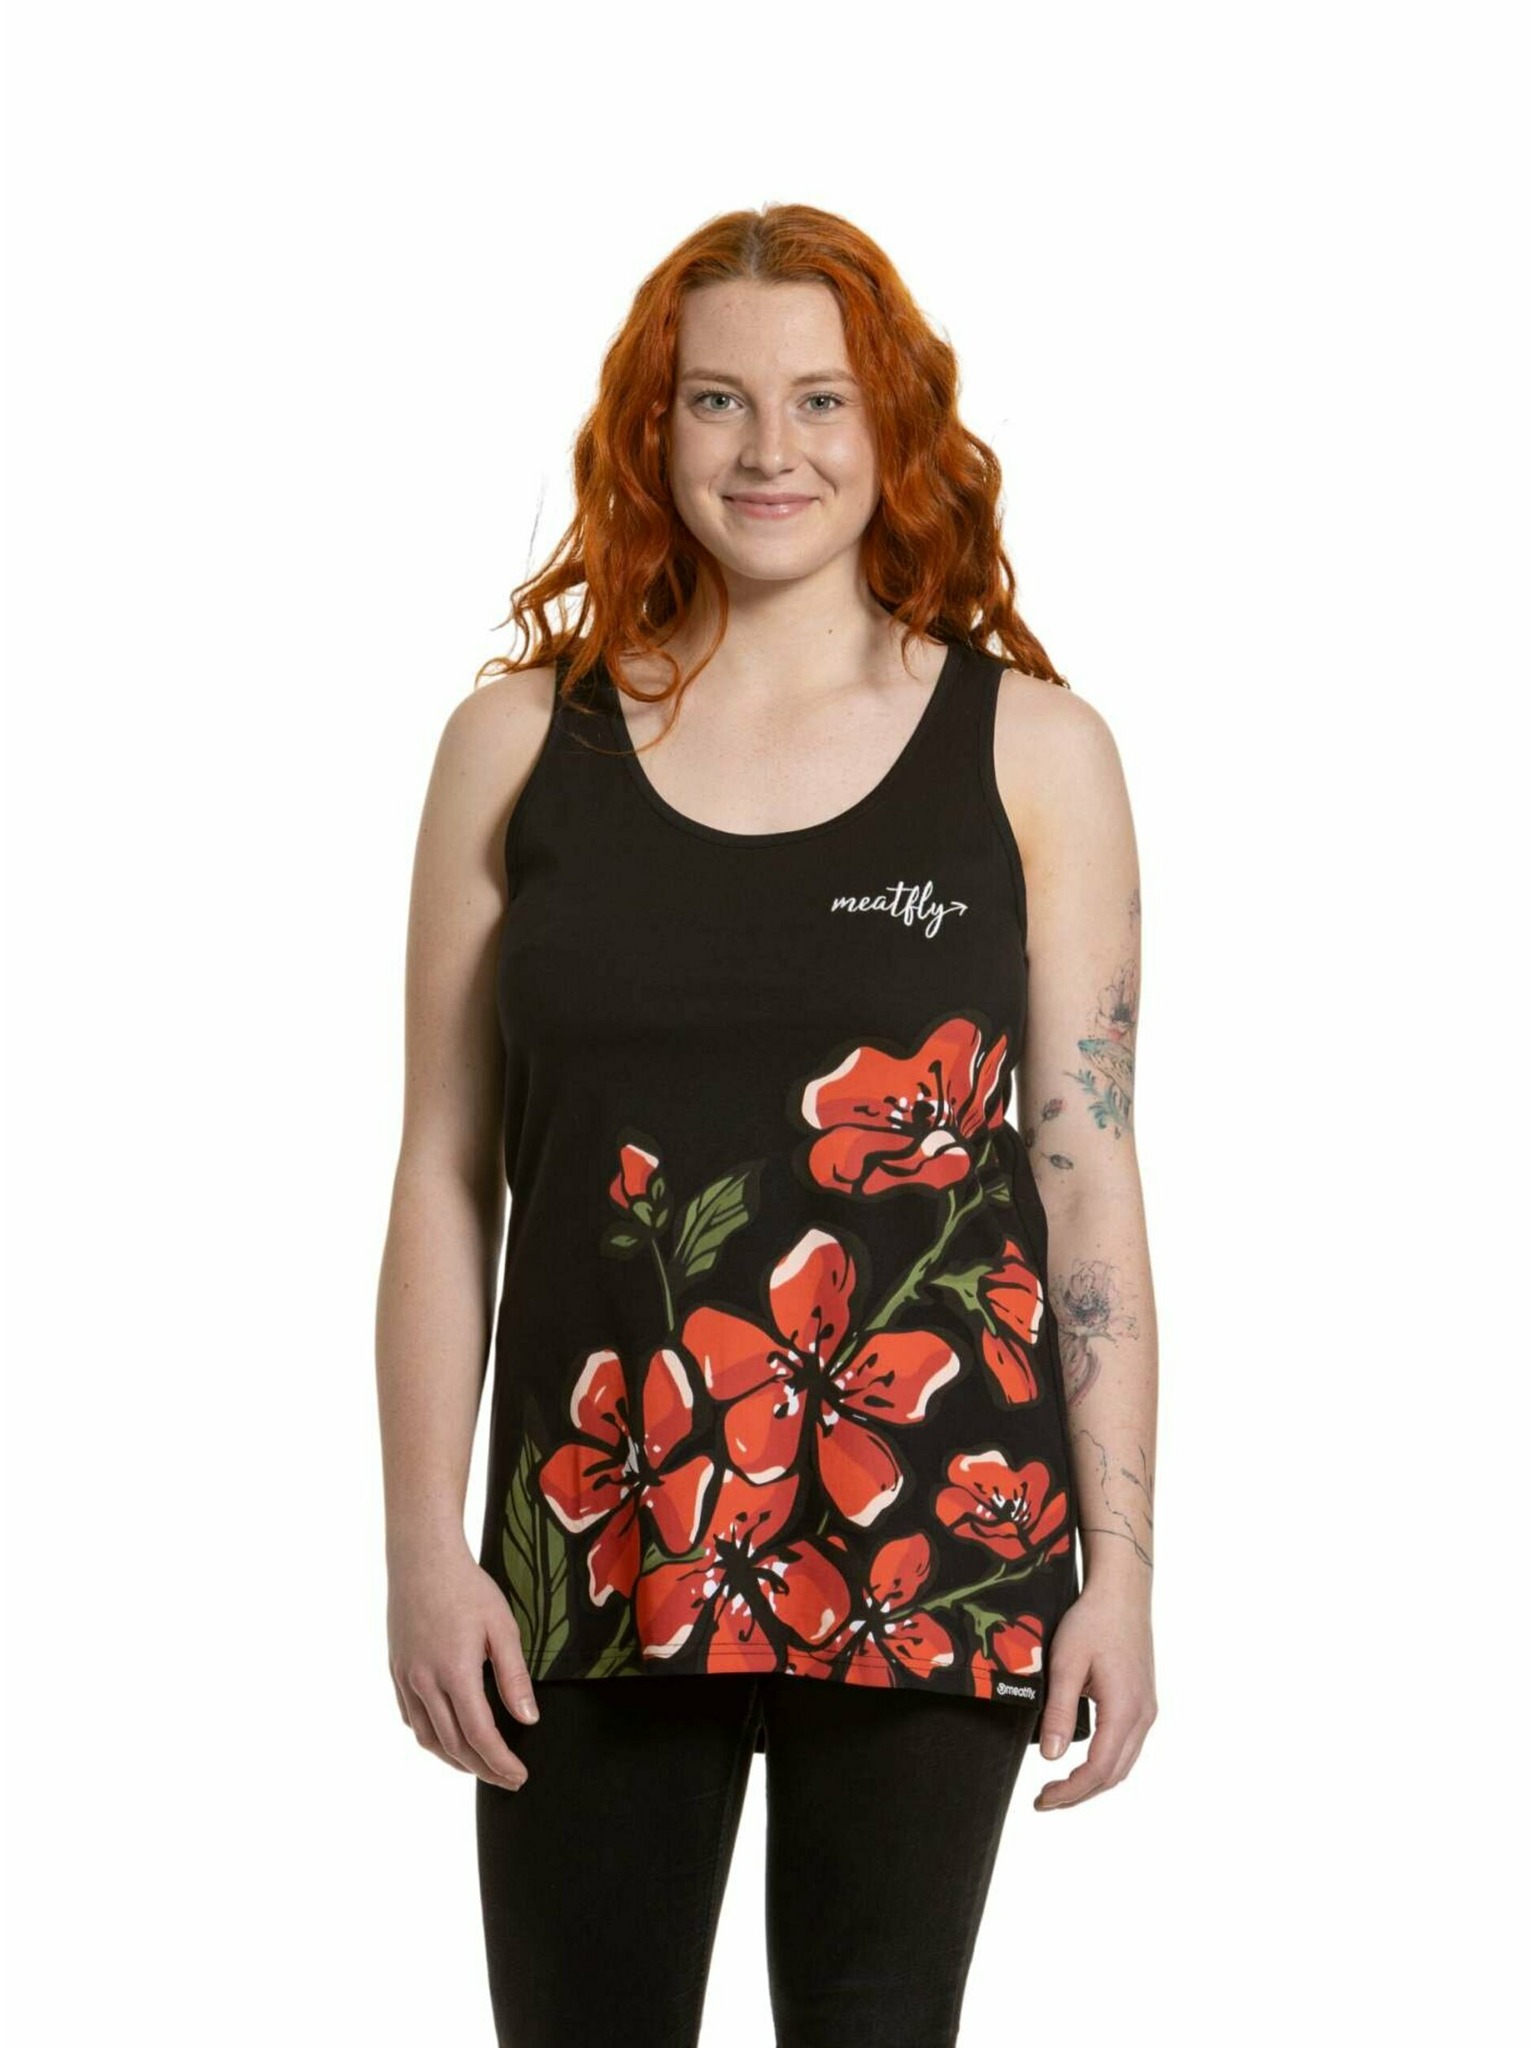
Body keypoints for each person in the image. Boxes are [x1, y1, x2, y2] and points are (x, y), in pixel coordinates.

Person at [375, 202, 1158, 2048]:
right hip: (591, 1526)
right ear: (652, 430)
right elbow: (442, 1173)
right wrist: (423, 1548)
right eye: (717, 400)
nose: (769, 449)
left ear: (895, 428)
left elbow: (1087, 1181)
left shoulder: (1038, 755)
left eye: (822, 399)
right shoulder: (517, 743)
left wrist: (1123, 1574)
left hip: (936, 1529)